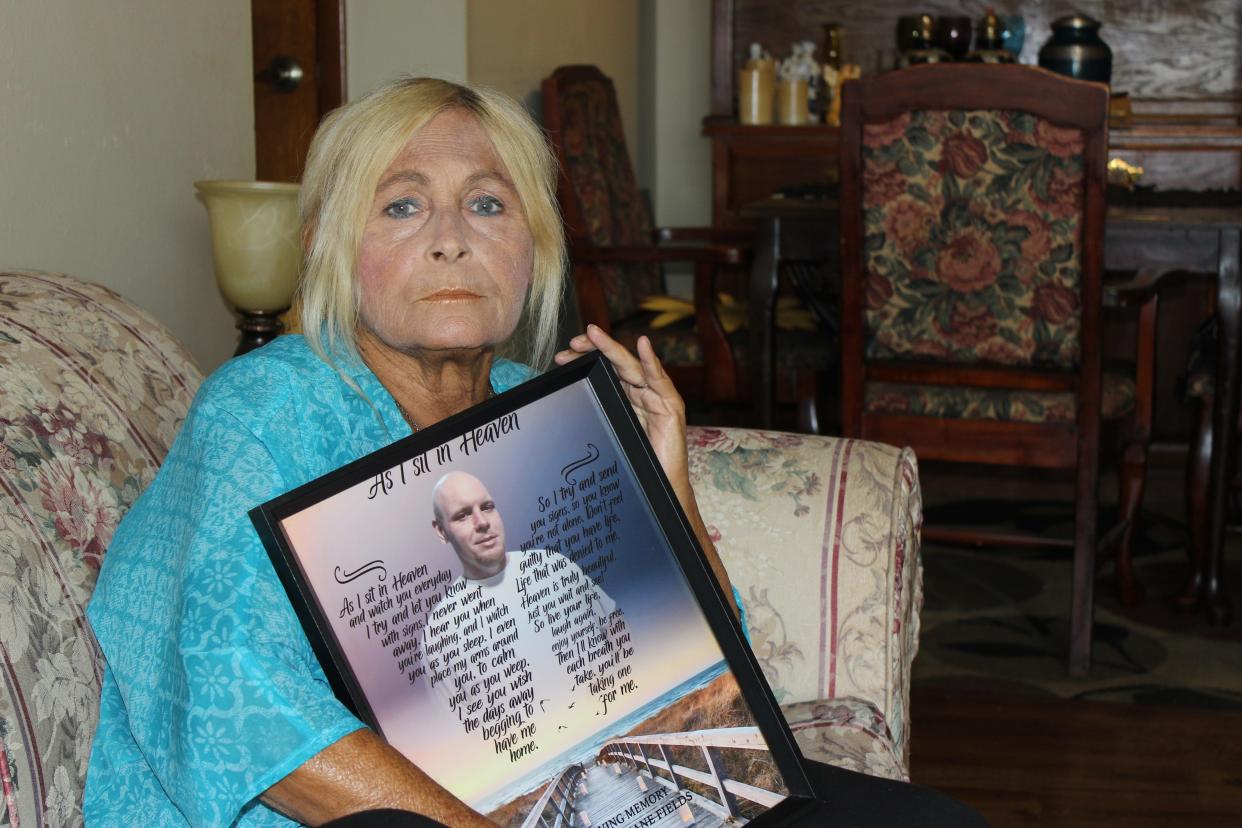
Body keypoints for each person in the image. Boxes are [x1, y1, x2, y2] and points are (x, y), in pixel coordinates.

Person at [85, 76, 985, 827]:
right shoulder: (264, 409)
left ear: (532, 249)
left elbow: (705, 675)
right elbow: (236, 704)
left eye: (487, 204)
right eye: (402, 206)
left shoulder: (538, 409)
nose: (450, 237)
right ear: (330, 247)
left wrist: (667, 495)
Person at [421, 471, 626, 723]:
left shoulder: (552, 565)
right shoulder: (440, 631)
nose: (482, 521)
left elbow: (616, 629)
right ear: (441, 531)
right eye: (463, 515)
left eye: (487, 507)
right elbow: (459, 731)